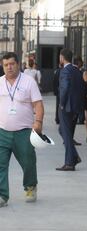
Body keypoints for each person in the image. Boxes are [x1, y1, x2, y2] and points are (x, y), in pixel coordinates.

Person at [0, 52, 44, 207]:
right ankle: (2, 194)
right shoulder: (0, 82)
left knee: (28, 161)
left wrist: (38, 122)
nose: (9, 67)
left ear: (18, 64)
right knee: (0, 164)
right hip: (2, 132)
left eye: (12, 64)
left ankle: (30, 187)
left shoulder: (28, 81)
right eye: (6, 65)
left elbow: (38, 104)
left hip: (24, 131)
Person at [56, 49, 84, 171]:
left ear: (62, 58)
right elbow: (81, 87)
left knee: (66, 133)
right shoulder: (76, 70)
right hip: (75, 106)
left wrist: (61, 103)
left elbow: (65, 88)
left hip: (66, 106)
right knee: (63, 130)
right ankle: (74, 156)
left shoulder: (65, 71)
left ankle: (69, 163)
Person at [74, 56, 86, 125]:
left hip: (81, 91)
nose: (82, 63)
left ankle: (81, 119)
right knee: (79, 105)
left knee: (81, 105)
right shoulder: (76, 70)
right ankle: (81, 118)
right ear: (78, 62)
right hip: (78, 91)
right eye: (81, 61)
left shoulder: (82, 70)